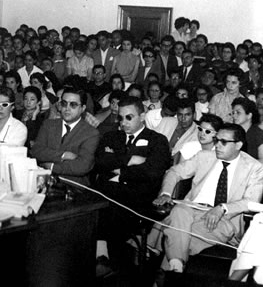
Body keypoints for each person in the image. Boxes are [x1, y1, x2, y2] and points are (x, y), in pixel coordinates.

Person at [147, 123, 263, 274]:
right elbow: (174, 171)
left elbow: (251, 201)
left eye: (224, 142)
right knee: (180, 211)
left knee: (178, 235)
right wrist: (166, 193)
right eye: (217, 140)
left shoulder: (254, 167)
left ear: (238, 145)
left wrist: (222, 208)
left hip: (224, 219)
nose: (218, 146)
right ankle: (175, 270)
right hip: (190, 210)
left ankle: (169, 271)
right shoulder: (204, 156)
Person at [94, 96, 171, 274]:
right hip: (110, 193)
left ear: (142, 116)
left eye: (129, 117)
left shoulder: (157, 140)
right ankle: (102, 256)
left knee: (111, 204)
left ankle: (110, 260)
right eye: (120, 118)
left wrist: (120, 172)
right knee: (96, 203)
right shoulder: (111, 136)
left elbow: (153, 172)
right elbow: (100, 162)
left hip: (139, 197)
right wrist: (131, 159)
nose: (123, 122)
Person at [31, 87, 99, 185]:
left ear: (83, 109)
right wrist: (63, 155)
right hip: (43, 182)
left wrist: (51, 166)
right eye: (64, 103)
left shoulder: (91, 133)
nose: (67, 108)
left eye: (73, 105)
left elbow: (82, 166)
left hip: (74, 187)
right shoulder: (48, 125)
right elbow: (36, 151)